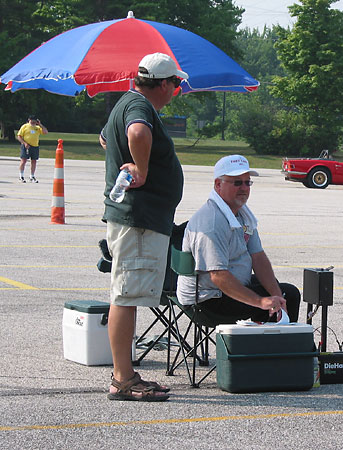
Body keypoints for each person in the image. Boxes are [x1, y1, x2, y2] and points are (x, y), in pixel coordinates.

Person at [98, 53, 187, 401]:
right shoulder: (140, 108)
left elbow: (105, 137)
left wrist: (127, 158)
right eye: (176, 84)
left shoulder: (125, 101)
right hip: (138, 219)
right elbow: (135, 131)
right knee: (126, 295)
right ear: (163, 84)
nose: (177, 89)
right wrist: (142, 169)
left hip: (139, 218)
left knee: (128, 293)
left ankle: (126, 374)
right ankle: (123, 378)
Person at [177, 154, 301, 324]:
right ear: (218, 184)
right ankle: (273, 348)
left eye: (247, 182)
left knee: (279, 292)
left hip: (222, 289)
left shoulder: (242, 214)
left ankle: (262, 345)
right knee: (289, 295)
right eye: (237, 182)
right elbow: (218, 275)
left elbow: (258, 257)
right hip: (206, 301)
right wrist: (260, 302)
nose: (244, 188)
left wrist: (277, 295)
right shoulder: (212, 221)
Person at [16, 115, 48, 183]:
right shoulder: (25, 126)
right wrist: (24, 143)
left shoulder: (37, 128)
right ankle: (21, 176)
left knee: (34, 161)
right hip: (26, 146)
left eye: (34, 121)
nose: (33, 122)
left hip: (35, 146)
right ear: (29, 120)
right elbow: (19, 136)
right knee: (23, 160)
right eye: (32, 120)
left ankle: (32, 176)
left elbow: (45, 132)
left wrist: (40, 124)